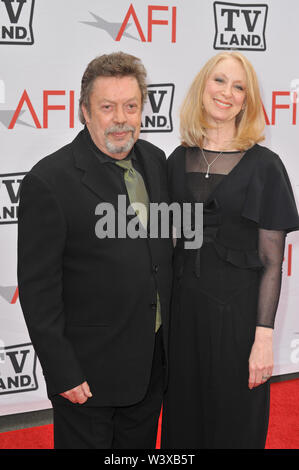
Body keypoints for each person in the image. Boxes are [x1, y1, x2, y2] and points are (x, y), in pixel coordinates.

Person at [17, 51, 173, 449]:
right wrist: (63, 371)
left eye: (131, 106)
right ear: (84, 110)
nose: (120, 118)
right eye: (107, 107)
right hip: (88, 378)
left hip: (150, 367)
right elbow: (38, 291)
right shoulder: (49, 181)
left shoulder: (155, 162)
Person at [161, 51, 299, 449]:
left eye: (239, 87)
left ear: (247, 100)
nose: (227, 92)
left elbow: (273, 263)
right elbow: (166, 247)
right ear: (202, 88)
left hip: (239, 324)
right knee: (183, 427)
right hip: (185, 320)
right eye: (219, 81)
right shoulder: (176, 160)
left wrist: (263, 338)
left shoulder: (265, 166)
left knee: (235, 428)